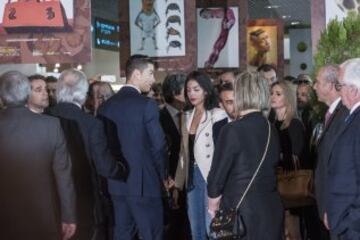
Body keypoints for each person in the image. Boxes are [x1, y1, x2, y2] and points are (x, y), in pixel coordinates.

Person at [48, 69, 128, 240]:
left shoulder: (44, 118)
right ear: (84, 94)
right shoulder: (91, 124)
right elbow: (104, 166)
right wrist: (121, 170)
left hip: (52, 201)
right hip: (86, 202)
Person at [0, 71, 76, 240]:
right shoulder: (51, 125)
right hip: (44, 216)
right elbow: (63, 175)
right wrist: (68, 216)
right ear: (27, 93)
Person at [98, 56, 167, 240]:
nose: (153, 79)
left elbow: (101, 148)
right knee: (150, 235)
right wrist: (163, 176)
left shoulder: (105, 107)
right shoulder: (147, 105)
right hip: (145, 185)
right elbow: (159, 145)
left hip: (117, 185)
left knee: (122, 234)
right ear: (136, 74)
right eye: (150, 73)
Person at [207, 71, 283, 240]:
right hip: (271, 209)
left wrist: (212, 205)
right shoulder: (271, 128)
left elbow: (217, 175)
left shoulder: (232, 129)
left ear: (239, 94)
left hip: (240, 213)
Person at [173, 71, 226, 240]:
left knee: (213, 228)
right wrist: (178, 184)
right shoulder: (186, 115)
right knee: (196, 229)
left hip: (211, 176)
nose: (191, 94)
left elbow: (223, 152)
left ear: (206, 90)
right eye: (188, 90)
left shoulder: (218, 115)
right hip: (191, 176)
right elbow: (183, 152)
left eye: (196, 89)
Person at [325, 58, 360, 239]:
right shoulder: (351, 117)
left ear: (353, 90)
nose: (338, 92)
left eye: (340, 86)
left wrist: (349, 224)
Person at [313, 64, 348, 240]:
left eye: (317, 82)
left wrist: (331, 206)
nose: (314, 86)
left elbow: (339, 166)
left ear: (330, 85)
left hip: (336, 206)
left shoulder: (344, 115)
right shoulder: (332, 113)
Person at [270, 80, 305, 240]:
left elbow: (298, 156)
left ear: (288, 97)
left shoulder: (295, 124)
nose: (273, 97)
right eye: (272, 93)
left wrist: (278, 156)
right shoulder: (271, 123)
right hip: (274, 183)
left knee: (291, 229)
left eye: (278, 94)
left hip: (290, 183)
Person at [159, 73, 189, 240]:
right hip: (169, 181)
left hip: (190, 181)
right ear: (176, 93)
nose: (192, 94)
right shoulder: (157, 118)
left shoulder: (192, 114)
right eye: (188, 90)